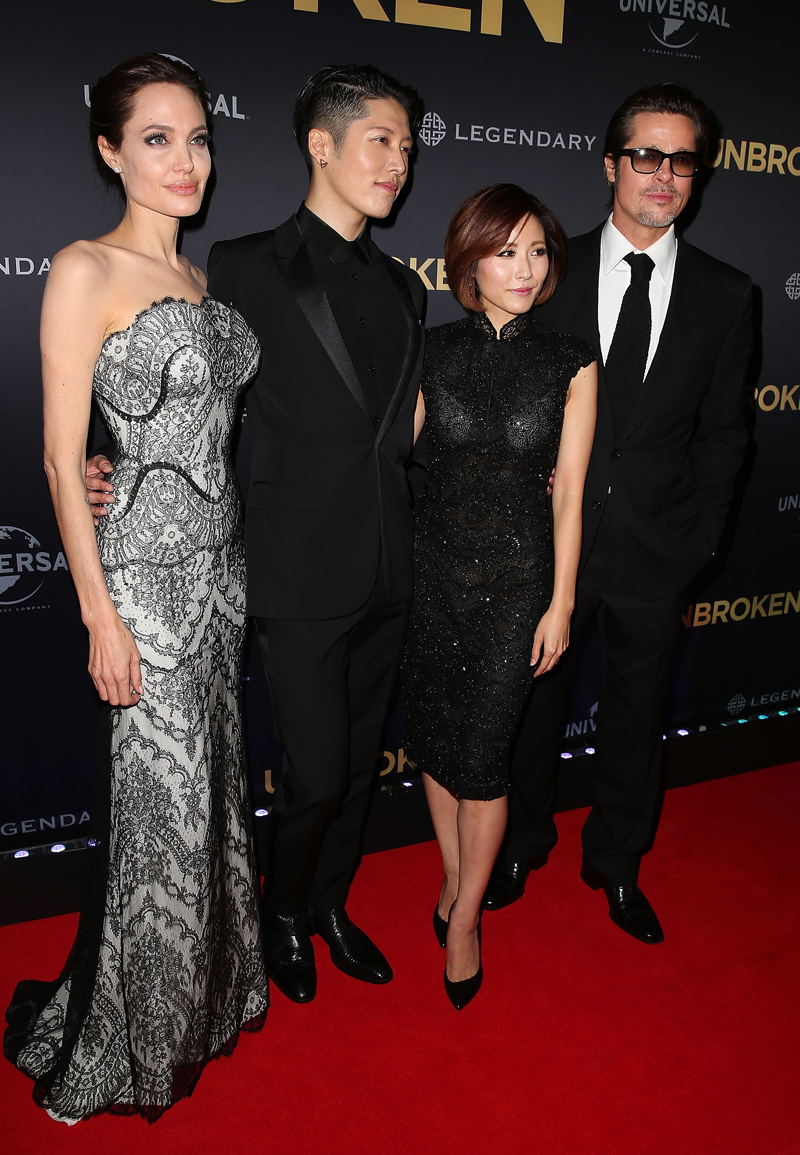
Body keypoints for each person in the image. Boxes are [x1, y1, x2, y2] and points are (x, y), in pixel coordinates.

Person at [85, 64, 426, 1002]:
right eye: (381, 141)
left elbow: (401, 426)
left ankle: (328, 904)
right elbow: (164, 376)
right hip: (293, 569)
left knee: (357, 769)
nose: (400, 162)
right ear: (322, 144)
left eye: (407, 144)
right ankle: (280, 911)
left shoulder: (405, 289)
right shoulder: (238, 264)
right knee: (315, 770)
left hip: (391, 563)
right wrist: (96, 454)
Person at [4, 54, 268, 1122]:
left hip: (222, 583)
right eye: (157, 138)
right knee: (154, 820)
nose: (186, 158)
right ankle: (129, 1037)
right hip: (145, 595)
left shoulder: (201, 284)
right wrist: (97, 615)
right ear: (110, 150)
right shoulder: (83, 270)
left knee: (205, 802)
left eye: (198, 136)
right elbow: (67, 463)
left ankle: (199, 1000)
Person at [483, 84, 753, 944]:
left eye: (682, 160)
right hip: (548, 545)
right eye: (645, 154)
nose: (663, 174)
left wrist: (699, 541)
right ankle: (524, 840)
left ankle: (618, 862)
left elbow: (725, 436)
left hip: (657, 546)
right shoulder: (546, 273)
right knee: (531, 708)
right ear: (610, 164)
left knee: (638, 716)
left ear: (696, 175)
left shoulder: (727, 294)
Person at [404, 185, 597, 1008]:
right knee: (438, 744)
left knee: (484, 758)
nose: (524, 268)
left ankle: (466, 920)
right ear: (469, 260)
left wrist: (560, 603)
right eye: (505, 250)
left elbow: (569, 497)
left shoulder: (572, 361)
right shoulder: (430, 351)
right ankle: (454, 879)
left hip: (519, 586)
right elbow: (382, 453)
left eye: (538, 251)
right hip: (430, 579)